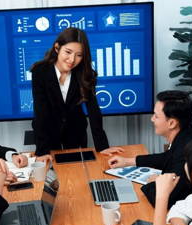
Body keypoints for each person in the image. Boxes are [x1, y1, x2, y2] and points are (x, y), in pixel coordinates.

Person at [30, 27, 123, 156]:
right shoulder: (40, 71)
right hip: (48, 134)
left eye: (79, 55)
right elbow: (40, 112)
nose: (72, 60)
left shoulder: (85, 73)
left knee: (76, 171)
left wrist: (102, 146)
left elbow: (93, 110)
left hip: (75, 133)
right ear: (57, 48)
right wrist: (42, 151)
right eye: (68, 52)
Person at [108, 90, 192, 208]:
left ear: (171, 123)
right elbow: (169, 156)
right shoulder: (188, 128)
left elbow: (164, 198)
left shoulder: (187, 152)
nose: (152, 119)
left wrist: (154, 183)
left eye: (156, 116)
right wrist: (128, 161)